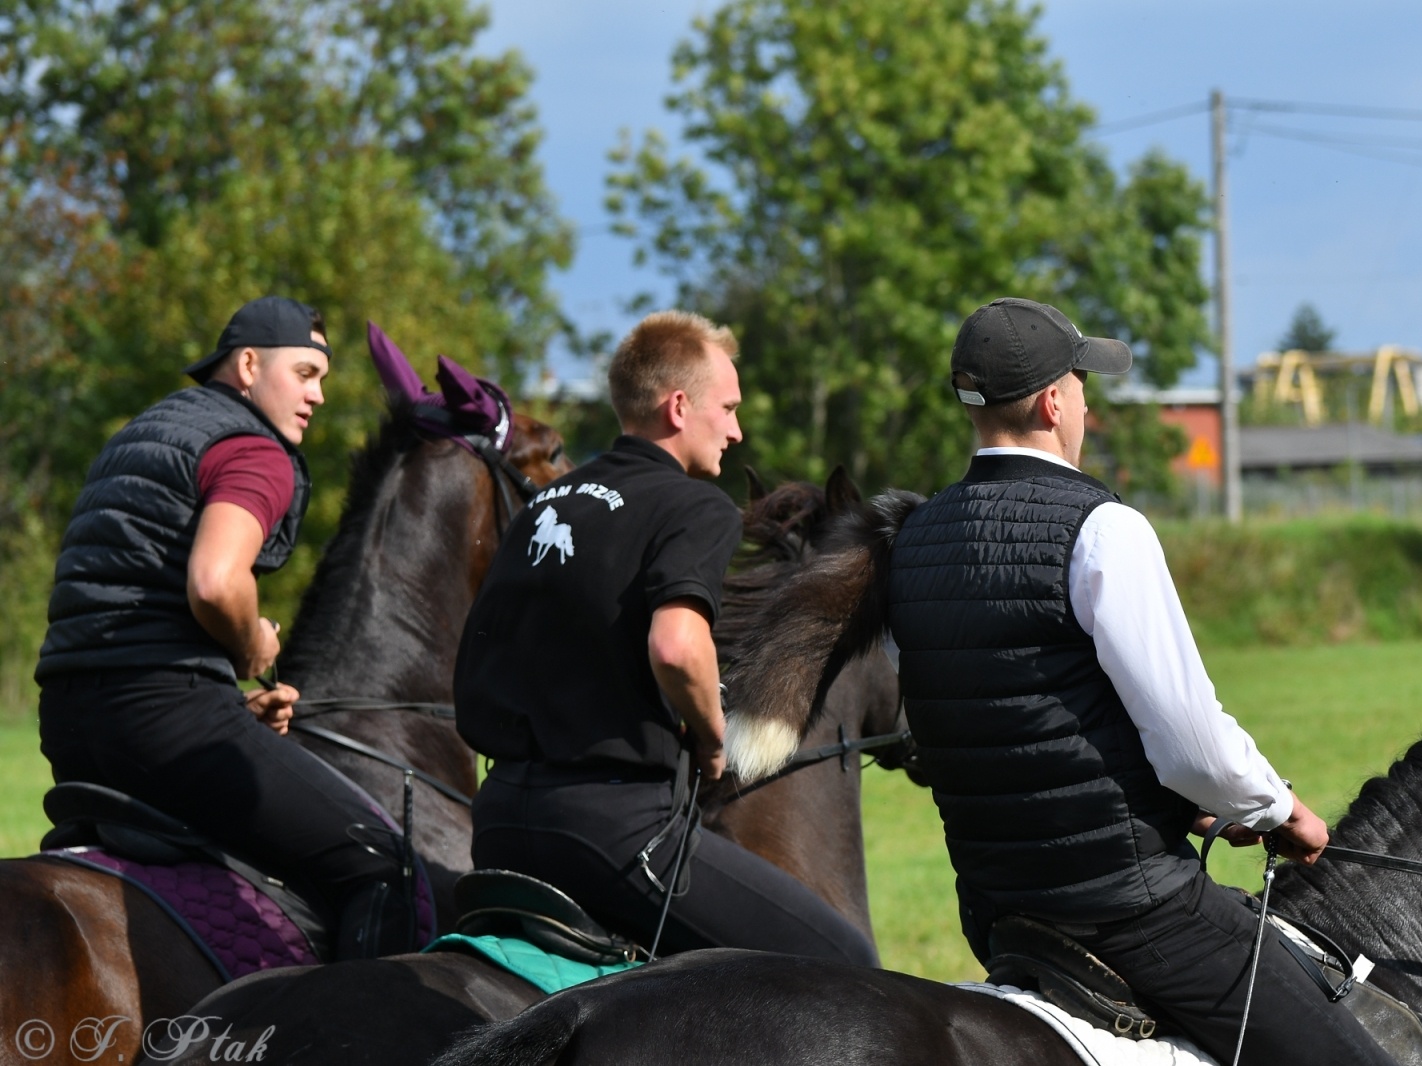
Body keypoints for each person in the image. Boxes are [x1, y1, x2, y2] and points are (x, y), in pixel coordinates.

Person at [885, 298, 1393, 1065]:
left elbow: (992, 725)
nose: (1087, 404)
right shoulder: (1103, 530)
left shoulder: (914, 540)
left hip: (995, 911)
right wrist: (1278, 810)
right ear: (1053, 404)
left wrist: (1177, 806)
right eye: (1081, 385)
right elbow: (1193, 742)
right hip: (1128, 909)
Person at [454, 310, 877, 965]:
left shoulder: (543, 505)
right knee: (845, 962)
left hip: (498, 822)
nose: (736, 431)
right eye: (728, 409)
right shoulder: (693, 507)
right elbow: (676, 647)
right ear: (679, 407)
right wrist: (712, 737)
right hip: (617, 834)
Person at [36, 296, 415, 959]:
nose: (318, 395)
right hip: (163, 718)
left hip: (69, 720)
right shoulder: (252, 448)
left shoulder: (143, 432)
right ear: (247, 366)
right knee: (382, 863)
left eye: (321, 379)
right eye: (305, 374)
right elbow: (215, 582)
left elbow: (133, 604)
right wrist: (250, 647)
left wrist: (230, 706)